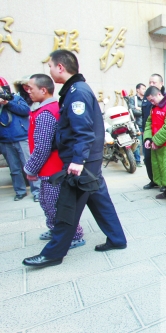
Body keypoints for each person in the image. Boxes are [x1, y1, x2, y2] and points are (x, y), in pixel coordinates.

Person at [22, 50, 127, 268]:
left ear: (60, 67)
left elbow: (84, 132)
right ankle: (118, 239)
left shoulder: (77, 92)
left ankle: (53, 253)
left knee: (67, 208)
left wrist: (77, 161)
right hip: (90, 161)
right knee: (100, 201)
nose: (49, 70)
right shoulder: (74, 90)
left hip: (82, 162)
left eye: (50, 66)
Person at [23, 74, 85, 248]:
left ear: (43, 90)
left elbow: (42, 147)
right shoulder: (48, 109)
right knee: (46, 201)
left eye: (31, 88)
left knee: (55, 204)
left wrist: (30, 169)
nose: (28, 91)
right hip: (49, 168)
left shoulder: (46, 114)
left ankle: (74, 235)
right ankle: (55, 229)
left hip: (53, 169)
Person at [0, 76, 40, 201]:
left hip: (22, 138)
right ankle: (20, 191)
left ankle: (37, 191)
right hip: (5, 140)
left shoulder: (16, 99)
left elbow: (25, 110)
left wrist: (8, 103)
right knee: (14, 169)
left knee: (29, 165)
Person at [142, 74, 165, 190]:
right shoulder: (146, 99)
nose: (151, 84)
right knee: (147, 159)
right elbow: (146, 119)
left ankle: (164, 183)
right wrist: (146, 136)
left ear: (161, 84)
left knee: (161, 161)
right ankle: (153, 180)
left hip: (161, 137)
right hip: (149, 133)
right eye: (150, 82)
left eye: (154, 82)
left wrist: (156, 139)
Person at [128, 83, 146, 167]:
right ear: (137, 90)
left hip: (146, 124)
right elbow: (132, 111)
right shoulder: (133, 99)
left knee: (146, 143)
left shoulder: (146, 99)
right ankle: (137, 161)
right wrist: (143, 111)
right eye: (143, 89)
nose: (144, 90)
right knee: (138, 143)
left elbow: (149, 110)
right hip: (137, 124)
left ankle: (146, 160)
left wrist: (139, 109)